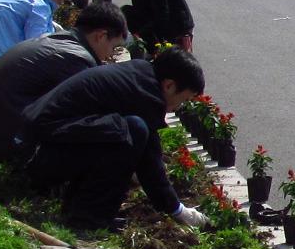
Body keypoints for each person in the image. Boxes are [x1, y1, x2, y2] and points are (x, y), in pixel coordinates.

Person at [19, 48, 210, 231]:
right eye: (184, 99)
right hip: (39, 154)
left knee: (128, 130)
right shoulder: (146, 96)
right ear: (169, 85)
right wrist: (177, 210)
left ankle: (80, 205)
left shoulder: (139, 74)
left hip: (34, 143)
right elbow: (150, 163)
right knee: (132, 130)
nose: (179, 106)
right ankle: (89, 216)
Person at [0, 2, 128, 164]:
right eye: (114, 47)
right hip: (5, 142)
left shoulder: (54, 40)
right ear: (101, 36)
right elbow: (88, 111)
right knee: (118, 126)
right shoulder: (77, 59)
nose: (110, 55)